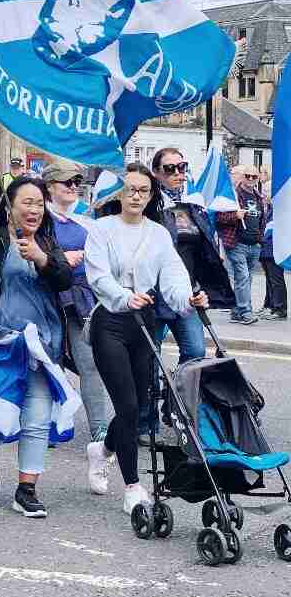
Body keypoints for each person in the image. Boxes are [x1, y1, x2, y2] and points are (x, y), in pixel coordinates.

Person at [84, 164, 208, 512]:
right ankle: (133, 486)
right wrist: (125, 297)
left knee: (138, 405)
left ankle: (103, 449)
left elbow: (173, 275)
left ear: (151, 195)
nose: (136, 195)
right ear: (119, 193)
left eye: (142, 190)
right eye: (130, 189)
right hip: (110, 322)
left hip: (145, 323)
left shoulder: (158, 234)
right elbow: (97, 276)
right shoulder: (101, 229)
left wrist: (188, 298)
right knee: (125, 405)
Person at [0, 156, 72, 518]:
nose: (34, 209)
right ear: (9, 207)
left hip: (42, 345)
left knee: (37, 416)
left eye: (39, 204)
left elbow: (64, 280)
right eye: (26, 202)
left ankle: (26, 490)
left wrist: (42, 258)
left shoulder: (45, 241)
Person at [42, 161, 111, 443]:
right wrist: (61, 259)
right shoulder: (39, 216)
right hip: (47, 298)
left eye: (76, 183)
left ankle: (99, 429)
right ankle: (51, 425)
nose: (73, 187)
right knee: (49, 362)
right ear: (49, 188)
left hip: (82, 299)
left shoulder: (86, 218)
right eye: (66, 183)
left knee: (89, 363)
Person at [152, 147, 233, 362]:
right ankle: (152, 391)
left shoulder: (194, 204)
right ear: (156, 173)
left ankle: (177, 392)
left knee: (195, 351)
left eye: (182, 167)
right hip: (154, 292)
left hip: (187, 290)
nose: (178, 173)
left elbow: (204, 246)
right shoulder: (150, 208)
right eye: (170, 169)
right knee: (151, 354)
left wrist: (215, 257)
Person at [215, 166, 268, 325]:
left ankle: (238, 309)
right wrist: (235, 216)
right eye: (248, 176)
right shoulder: (232, 196)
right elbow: (219, 217)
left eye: (254, 176)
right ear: (242, 177)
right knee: (243, 276)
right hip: (237, 243)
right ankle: (245, 311)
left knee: (245, 278)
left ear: (258, 178)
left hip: (254, 244)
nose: (251, 179)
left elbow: (262, 220)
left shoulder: (259, 197)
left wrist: (259, 238)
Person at [259, 205, 287, 320]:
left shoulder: (282, 206)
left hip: (275, 249)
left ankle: (280, 309)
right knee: (270, 280)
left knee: (276, 280)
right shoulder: (270, 208)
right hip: (265, 248)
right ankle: (271, 306)